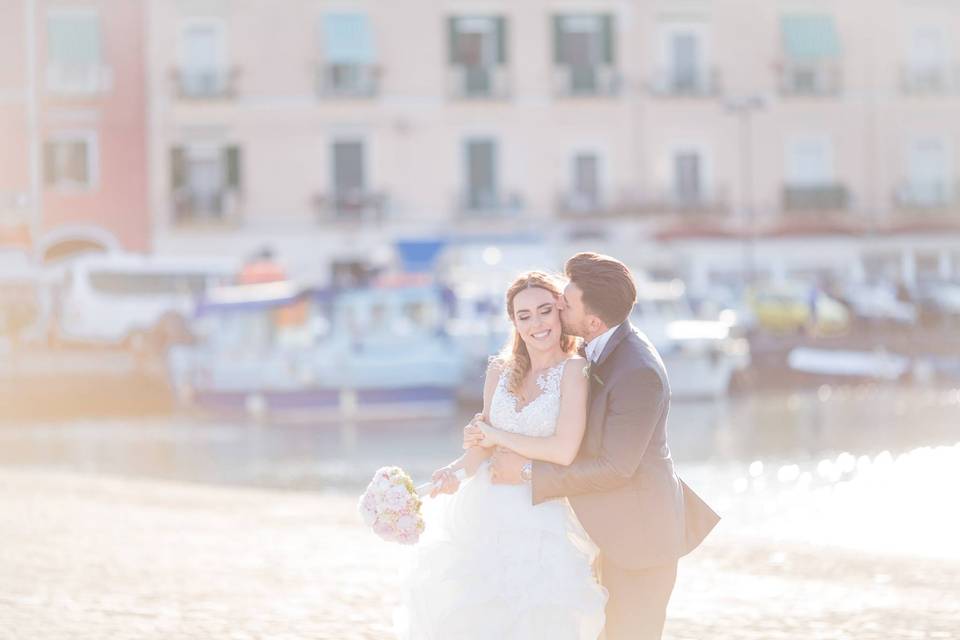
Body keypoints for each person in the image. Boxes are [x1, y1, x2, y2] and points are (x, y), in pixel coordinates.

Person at [470, 252, 719, 640]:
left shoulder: (638, 370)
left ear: (593, 320)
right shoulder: (593, 348)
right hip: (596, 531)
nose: (557, 308)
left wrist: (525, 472)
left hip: (640, 540)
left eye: (564, 304)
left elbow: (615, 468)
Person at [396, 271, 607, 639]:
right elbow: (480, 450)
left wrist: (496, 435)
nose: (537, 324)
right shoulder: (499, 370)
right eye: (524, 316)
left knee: (534, 618)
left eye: (544, 311)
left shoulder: (575, 370)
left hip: (540, 514)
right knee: (476, 616)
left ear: (560, 312)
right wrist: (453, 472)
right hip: (484, 512)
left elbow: (563, 449)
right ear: (514, 323)